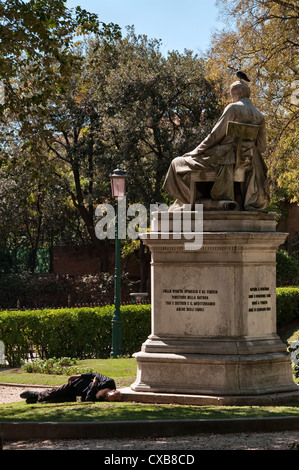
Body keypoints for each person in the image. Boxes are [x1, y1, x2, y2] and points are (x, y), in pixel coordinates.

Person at [163, 80, 270, 211]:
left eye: (232, 95)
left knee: (177, 163)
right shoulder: (260, 116)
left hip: (223, 160)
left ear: (237, 93)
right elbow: (262, 147)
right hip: (247, 164)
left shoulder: (233, 108)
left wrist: (196, 151)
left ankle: (191, 202)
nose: (232, 98)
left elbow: (214, 136)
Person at [20, 372, 122, 404]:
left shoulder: (102, 399)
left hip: (78, 396)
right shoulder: (109, 382)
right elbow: (94, 374)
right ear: (113, 390)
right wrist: (78, 376)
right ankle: (35, 394)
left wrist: (93, 386)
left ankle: (34, 401)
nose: (106, 397)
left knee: (57, 400)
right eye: (109, 395)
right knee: (55, 393)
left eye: (108, 399)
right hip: (77, 384)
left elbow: (88, 399)